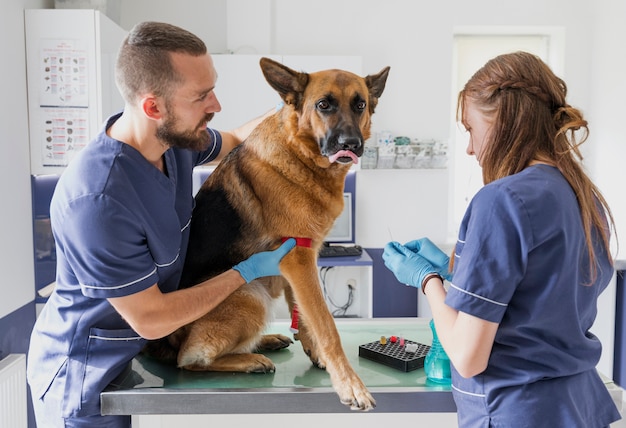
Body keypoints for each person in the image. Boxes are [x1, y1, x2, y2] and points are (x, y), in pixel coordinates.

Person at [27, 21, 295, 428]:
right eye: (202, 96)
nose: (216, 105)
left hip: (129, 360)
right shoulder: (98, 200)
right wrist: (246, 272)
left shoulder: (175, 143)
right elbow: (151, 318)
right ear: (153, 107)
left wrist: (298, 106)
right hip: (82, 376)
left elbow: (239, 138)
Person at [383, 51, 621, 427]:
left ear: (503, 120)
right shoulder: (583, 194)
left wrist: (427, 282)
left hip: (519, 411)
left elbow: (466, 355)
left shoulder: (502, 200)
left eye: (470, 129)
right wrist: (452, 270)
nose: (471, 148)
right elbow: (539, 292)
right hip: (577, 408)